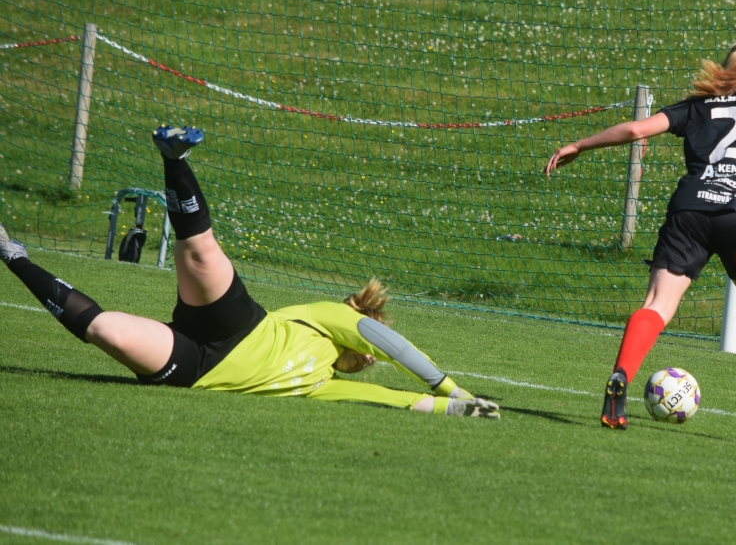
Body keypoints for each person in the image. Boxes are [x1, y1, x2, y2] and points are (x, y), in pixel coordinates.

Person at [0, 126, 499, 418]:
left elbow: (385, 399)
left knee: (105, 330)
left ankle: (11, 254)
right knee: (201, 253)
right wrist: (452, 389)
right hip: (239, 325)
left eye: (367, 361)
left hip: (197, 371)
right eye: (367, 352)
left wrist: (454, 410)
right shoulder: (327, 318)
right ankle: (174, 158)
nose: (370, 360)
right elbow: (392, 346)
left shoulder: (320, 383)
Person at [544, 41, 736, 450]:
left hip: (690, 212)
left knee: (657, 305)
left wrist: (579, 145)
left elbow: (635, 130)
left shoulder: (696, 106)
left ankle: (621, 376)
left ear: (726, 69)